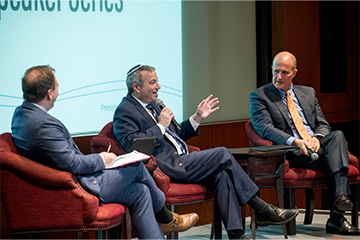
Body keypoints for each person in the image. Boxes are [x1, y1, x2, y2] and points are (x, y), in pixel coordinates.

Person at [11, 65, 199, 239]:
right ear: (50, 93)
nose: (59, 89)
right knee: (136, 167)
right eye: (57, 86)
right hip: (76, 187)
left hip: (72, 180)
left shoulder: (21, 114)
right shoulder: (43, 125)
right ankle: (165, 217)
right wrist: (102, 159)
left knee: (140, 191)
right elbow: (73, 164)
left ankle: (162, 226)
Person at [113, 64, 299, 239]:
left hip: (183, 159)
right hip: (166, 166)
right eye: (152, 82)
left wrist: (196, 118)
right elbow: (133, 146)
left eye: (157, 81)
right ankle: (261, 208)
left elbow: (175, 135)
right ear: (136, 87)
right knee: (222, 153)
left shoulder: (153, 105)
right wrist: (161, 125)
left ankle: (237, 235)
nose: (159, 87)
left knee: (223, 175)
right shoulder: (124, 111)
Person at [249, 51, 360, 236]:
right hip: (293, 150)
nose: (279, 77)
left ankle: (340, 202)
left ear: (294, 72)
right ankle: (337, 216)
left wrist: (316, 139)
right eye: (276, 71)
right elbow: (265, 129)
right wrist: (296, 141)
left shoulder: (308, 92)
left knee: (337, 135)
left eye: (284, 72)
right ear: (271, 70)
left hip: (317, 147)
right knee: (337, 159)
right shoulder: (260, 96)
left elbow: (323, 124)